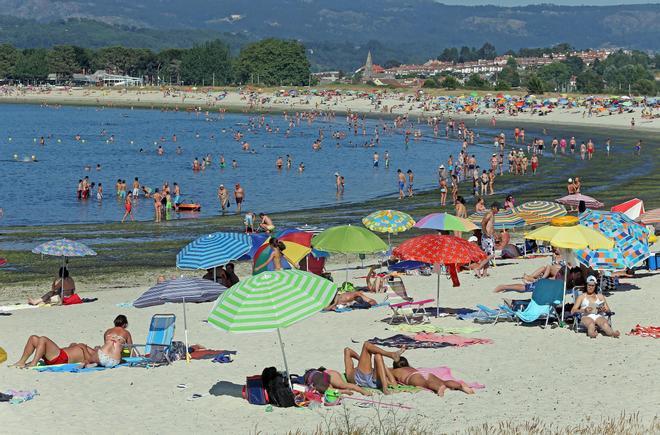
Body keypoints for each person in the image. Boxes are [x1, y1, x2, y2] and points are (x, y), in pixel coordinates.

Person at [391, 356, 474, 397]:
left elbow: (386, 372)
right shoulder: (411, 368)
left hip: (412, 377)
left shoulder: (395, 370)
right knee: (443, 381)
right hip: (423, 372)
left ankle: (439, 388)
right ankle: (460, 386)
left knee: (426, 383)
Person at [11, 336, 88, 368]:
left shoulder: (91, 351)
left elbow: (89, 359)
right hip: (58, 355)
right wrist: (72, 345)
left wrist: (84, 348)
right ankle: (21, 362)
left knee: (43, 339)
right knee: (33, 338)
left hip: (62, 358)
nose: (97, 347)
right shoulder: (84, 348)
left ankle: (34, 363)